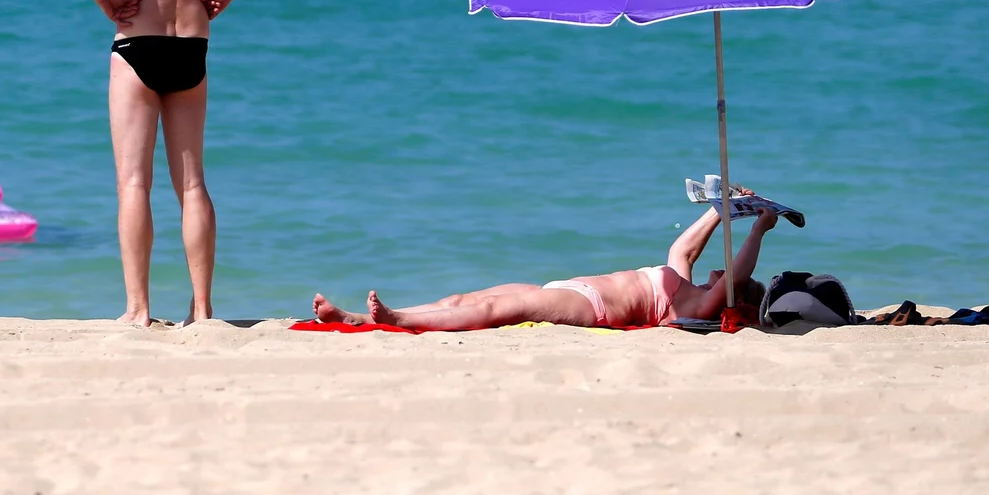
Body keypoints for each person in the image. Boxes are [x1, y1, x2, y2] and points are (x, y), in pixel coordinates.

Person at [78, 0, 286, 326]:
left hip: (137, 45)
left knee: (133, 183)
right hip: (191, 46)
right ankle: (202, 308)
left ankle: (139, 310)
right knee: (192, 184)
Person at [312, 203, 782, 332]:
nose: (721, 272)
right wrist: (722, 209)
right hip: (567, 286)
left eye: (732, 280)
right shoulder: (681, 276)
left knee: (500, 308)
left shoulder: (699, 302)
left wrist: (759, 227)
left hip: (591, 307)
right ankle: (358, 319)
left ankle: (399, 319)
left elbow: (738, 273)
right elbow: (684, 245)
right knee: (462, 300)